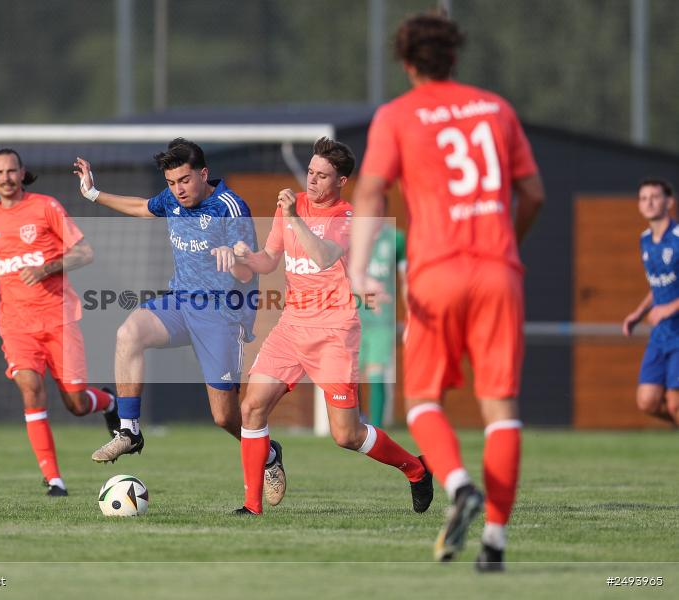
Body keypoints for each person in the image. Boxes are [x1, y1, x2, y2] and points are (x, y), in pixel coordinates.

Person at [349, 12, 545, 571]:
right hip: (498, 271)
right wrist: (507, 245)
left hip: (437, 273)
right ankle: (496, 544)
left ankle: (459, 485)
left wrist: (362, 270)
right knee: (501, 407)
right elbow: (532, 194)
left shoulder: (397, 115)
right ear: (455, 57)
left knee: (424, 403)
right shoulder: (496, 108)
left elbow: (370, 192)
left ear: (408, 64)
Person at [73, 138, 287, 506]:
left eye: (185, 180)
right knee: (129, 333)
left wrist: (233, 256)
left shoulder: (230, 207)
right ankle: (129, 430)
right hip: (182, 302)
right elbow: (143, 207)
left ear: (203, 174)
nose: (178, 190)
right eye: (172, 183)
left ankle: (269, 454)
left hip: (223, 313)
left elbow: (249, 269)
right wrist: (93, 194)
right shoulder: (172, 198)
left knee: (224, 417)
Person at [231, 137, 432, 516]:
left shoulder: (346, 218)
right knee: (252, 407)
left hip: (334, 332)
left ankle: (416, 469)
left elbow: (323, 258)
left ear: (340, 181)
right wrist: (242, 258)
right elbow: (268, 260)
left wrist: (294, 218)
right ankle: (251, 506)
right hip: (292, 325)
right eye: (310, 172)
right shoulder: (289, 206)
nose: (312, 181)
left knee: (346, 434)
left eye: (322, 176)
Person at [0, 148, 119, 497]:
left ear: (22, 173)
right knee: (30, 389)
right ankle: (55, 480)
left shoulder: (45, 207)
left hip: (60, 320)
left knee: (77, 405)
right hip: (16, 324)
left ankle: (108, 403)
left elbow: (85, 252)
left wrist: (45, 268)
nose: (6, 178)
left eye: (11, 171)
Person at [622, 179, 679, 426]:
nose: (649, 202)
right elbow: (659, 284)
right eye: (644, 198)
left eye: (655, 197)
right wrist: (638, 312)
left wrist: (669, 308)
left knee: (675, 402)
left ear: (669, 202)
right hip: (661, 334)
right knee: (647, 401)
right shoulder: (644, 240)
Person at [360, 224, 406, 427]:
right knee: (350, 374)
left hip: (382, 320)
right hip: (353, 316)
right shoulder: (351, 236)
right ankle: (357, 421)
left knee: (375, 371)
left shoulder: (395, 239)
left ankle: (376, 429)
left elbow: (407, 277)